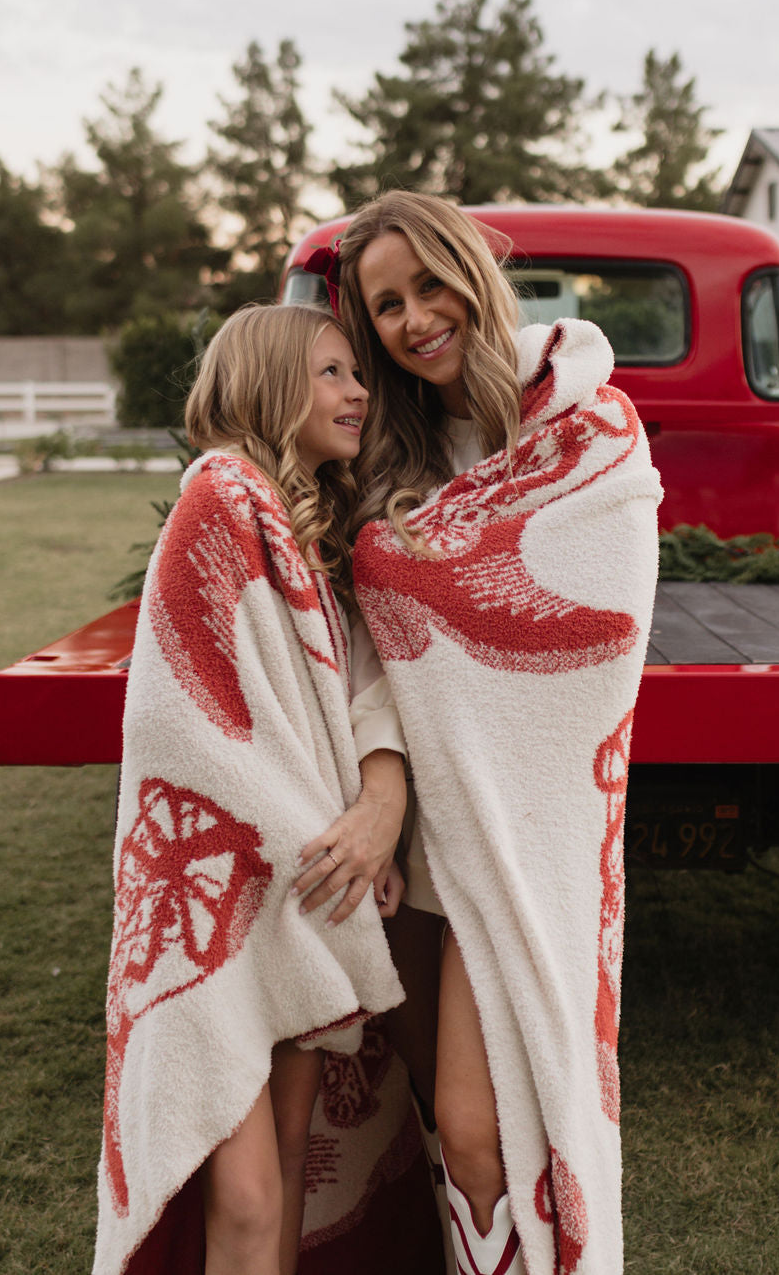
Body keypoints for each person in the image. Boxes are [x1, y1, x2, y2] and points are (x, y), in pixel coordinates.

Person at [333, 191, 663, 1275]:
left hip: (519, 824)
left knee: (482, 1131)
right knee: (426, 1117)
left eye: (430, 283)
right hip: (417, 829)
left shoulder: (587, 425)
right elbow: (371, 646)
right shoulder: (390, 453)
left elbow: (601, 635)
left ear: (475, 271)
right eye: (385, 304)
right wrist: (384, 791)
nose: (415, 317)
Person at [92, 303, 412, 1275]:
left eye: (357, 374)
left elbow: (327, 695)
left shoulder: (307, 523)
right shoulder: (222, 498)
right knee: (242, 1188)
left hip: (299, 883)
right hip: (229, 891)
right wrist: (323, 835)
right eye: (330, 373)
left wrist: (371, 819)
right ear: (271, 382)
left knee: (287, 1155)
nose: (357, 392)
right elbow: (179, 716)